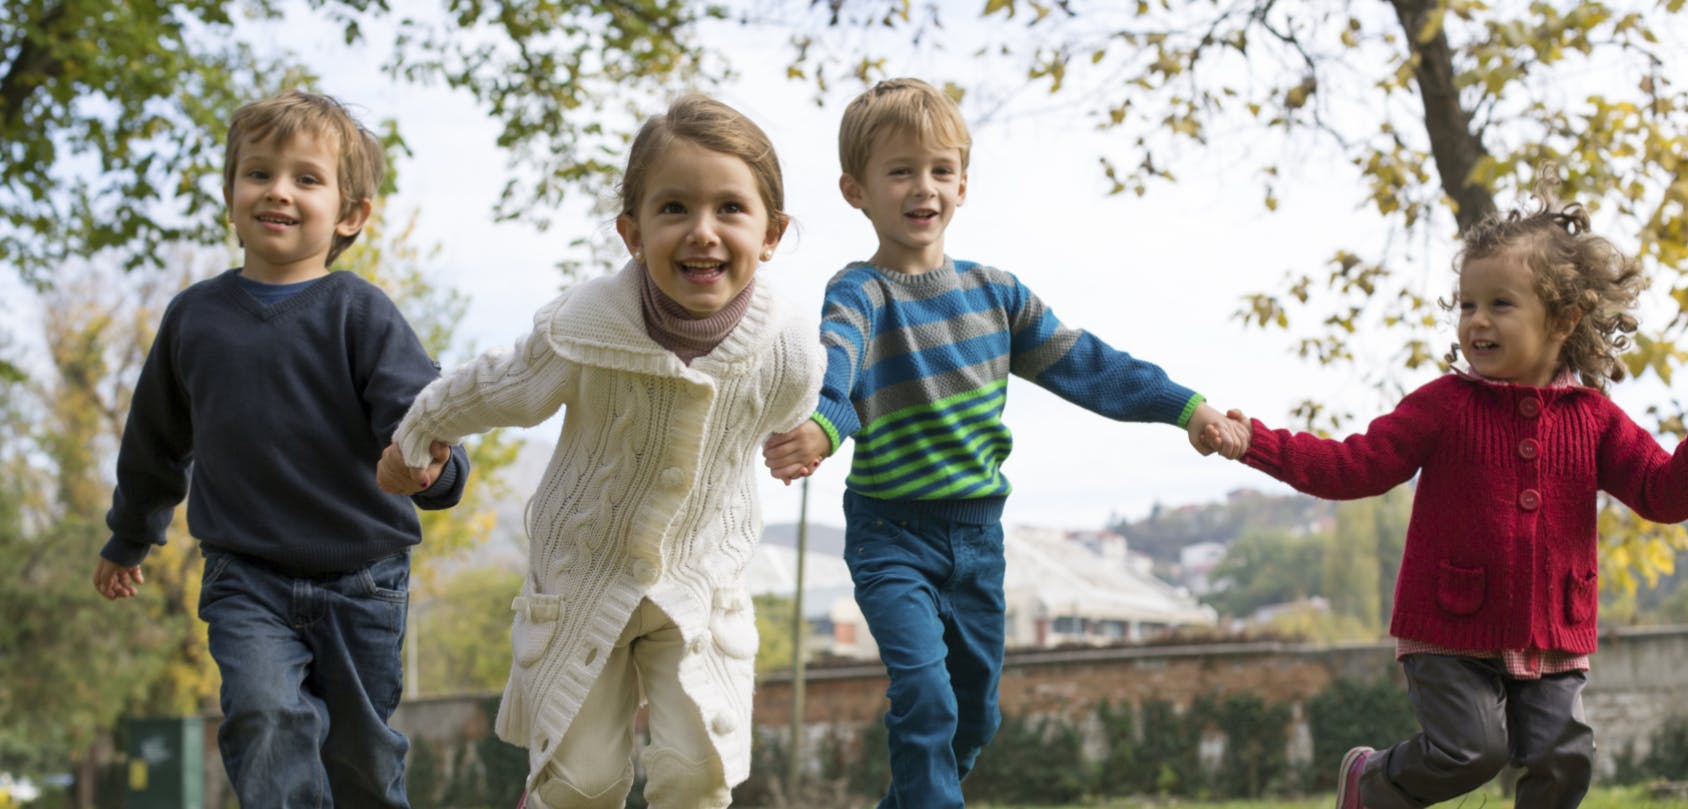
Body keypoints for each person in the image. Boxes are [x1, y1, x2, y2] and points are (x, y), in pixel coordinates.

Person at [760, 77, 1250, 808]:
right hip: (891, 535)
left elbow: (1091, 364)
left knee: (972, 715)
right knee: (924, 696)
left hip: (977, 538)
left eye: (939, 169)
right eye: (899, 171)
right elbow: (841, 363)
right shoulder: (860, 292)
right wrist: (823, 426)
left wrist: (1186, 408)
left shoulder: (997, 295)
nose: (922, 187)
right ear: (854, 189)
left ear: (962, 183)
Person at [1227, 176, 1688, 809]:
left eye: (1500, 303)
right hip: (1451, 623)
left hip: (1553, 629)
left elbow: (1663, 494)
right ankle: (1371, 783)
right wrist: (1255, 441)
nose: (1476, 320)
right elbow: (1353, 465)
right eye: (1467, 305)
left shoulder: (1595, 419)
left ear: (1563, 318)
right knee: (1471, 750)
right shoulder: (1444, 406)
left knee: (1565, 760)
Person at [383, 94, 823, 809]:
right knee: (581, 780)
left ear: (770, 233)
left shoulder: (791, 344)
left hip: (700, 584)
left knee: (698, 770)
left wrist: (812, 438)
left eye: (730, 210)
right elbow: (498, 385)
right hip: (584, 573)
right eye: (674, 208)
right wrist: (421, 430)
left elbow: (800, 412)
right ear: (632, 231)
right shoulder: (585, 327)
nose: (701, 232)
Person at [93, 90, 470, 808]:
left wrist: (433, 466)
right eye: (258, 173)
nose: (278, 191)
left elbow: (419, 415)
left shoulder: (361, 313)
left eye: (306, 178)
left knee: (360, 757)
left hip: (362, 576)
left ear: (350, 213)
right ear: (230, 195)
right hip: (247, 575)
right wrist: (128, 537)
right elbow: (153, 441)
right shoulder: (194, 318)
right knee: (264, 717)